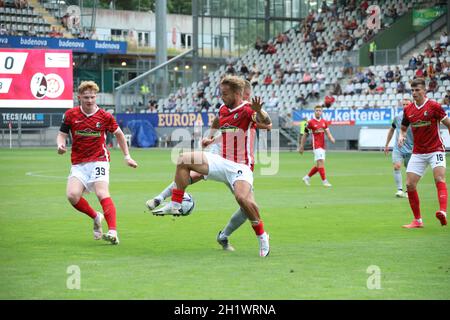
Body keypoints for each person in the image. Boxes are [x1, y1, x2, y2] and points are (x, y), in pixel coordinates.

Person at [150, 76, 272, 257]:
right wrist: (211, 137)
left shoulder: (247, 110)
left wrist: (260, 111)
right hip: (220, 160)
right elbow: (219, 122)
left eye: (225, 94)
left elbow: (268, 124)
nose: (221, 97)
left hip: (240, 166)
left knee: (244, 201)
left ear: (237, 94)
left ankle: (262, 237)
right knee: (183, 159)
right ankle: (175, 203)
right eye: (221, 93)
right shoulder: (223, 109)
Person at [56, 81, 138, 244]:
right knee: (72, 195)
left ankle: (113, 232)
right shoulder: (71, 115)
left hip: (99, 159)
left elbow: (120, 135)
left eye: (93, 97)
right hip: (78, 162)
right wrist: (60, 144)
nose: (90, 100)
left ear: (96, 97)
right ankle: (95, 216)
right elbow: (62, 134)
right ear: (79, 97)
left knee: (102, 193)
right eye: (86, 97)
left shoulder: (105, 116)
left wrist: (127, 156)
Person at [398, 78, 450, 228]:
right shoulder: (408, 110)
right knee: (409, 184)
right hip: (418, 152)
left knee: (439, 178)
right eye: (412, 90)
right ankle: (418, 221)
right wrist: (401, 136)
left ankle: (442, 212)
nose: (414, 93)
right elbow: (403, 128)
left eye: (417, 90)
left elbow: (448, 124)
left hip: (436, 149)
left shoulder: (434, 106)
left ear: (424, 90)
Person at [299, 105, 335, 187]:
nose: (318, 112)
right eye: (316, 110)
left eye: (319, 110)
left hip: (322, 146)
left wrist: (331, 138)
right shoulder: (310, 122)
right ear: (314, 112)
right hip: (316, 145)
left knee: (319, 165)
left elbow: (327, 132)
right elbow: (305, 134)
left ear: (322, 112)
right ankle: (325, 181)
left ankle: (307, 177)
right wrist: (301, 146)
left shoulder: (324, 122)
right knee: (321, 162)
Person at [384, 99, 413, 198]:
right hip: (398, 148)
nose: (405, 106)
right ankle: (400, 190)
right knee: (396, 166)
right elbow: (392, 130)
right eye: (403, 104)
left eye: (407, 104)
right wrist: (387, 144)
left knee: (410, 171)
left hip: (412, 149)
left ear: (411, 105)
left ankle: (408, 191)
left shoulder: (416, 117)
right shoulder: (397, 117)